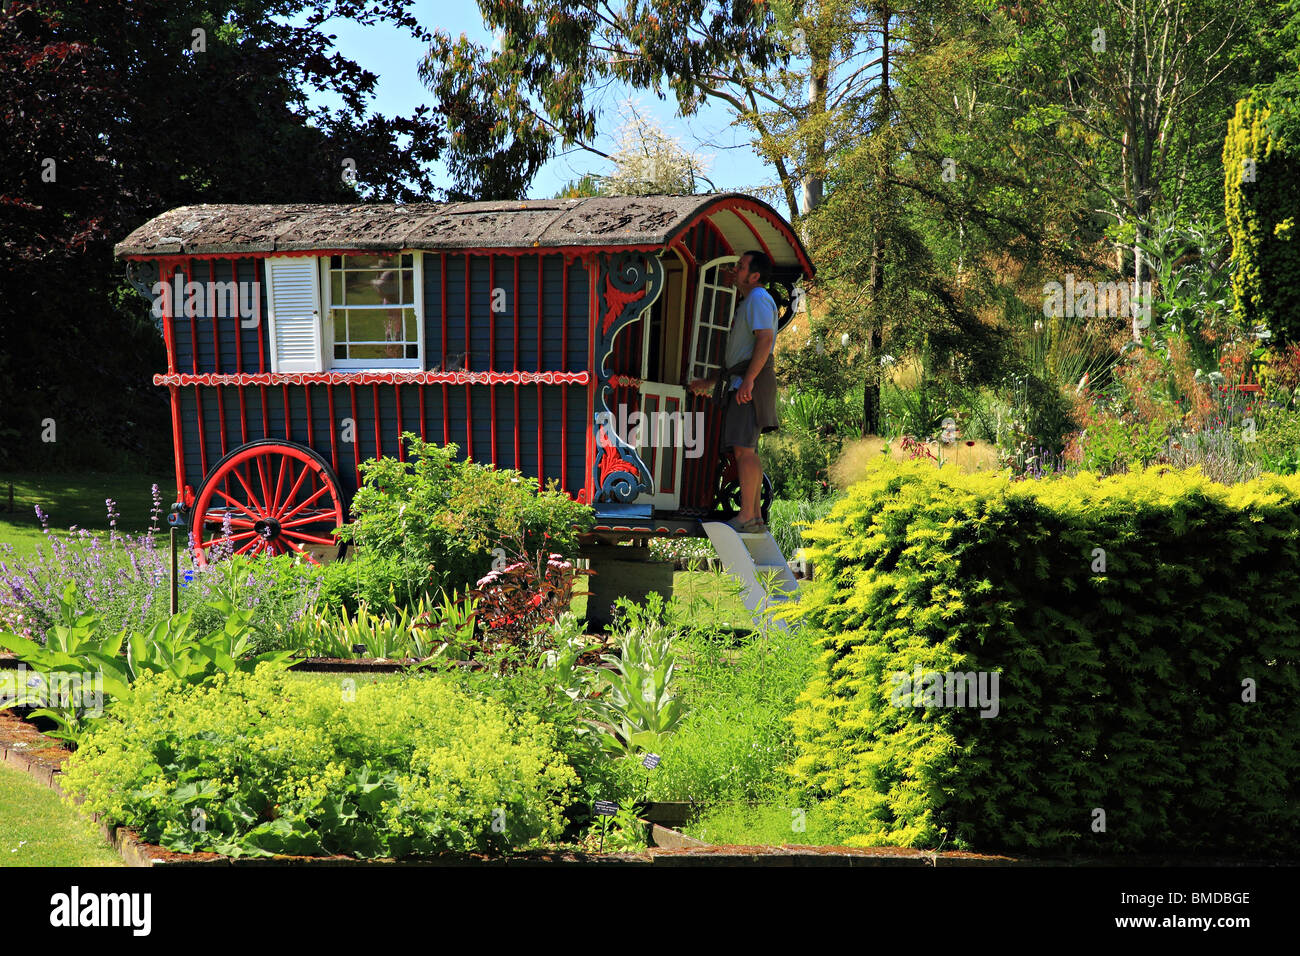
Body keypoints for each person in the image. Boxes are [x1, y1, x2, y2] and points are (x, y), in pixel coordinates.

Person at [688, 250, 779, 533]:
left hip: (749, 384)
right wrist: (710, 382)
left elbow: (765, 339)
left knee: (744, 450)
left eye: (740, 267)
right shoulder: (751, 300)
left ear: (754, 276)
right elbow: (739, 355)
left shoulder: (758, 298)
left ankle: (748, 515)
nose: (735, 270)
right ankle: (754, 516)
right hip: (743, 380)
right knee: (745, 450)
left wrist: (749, 380)